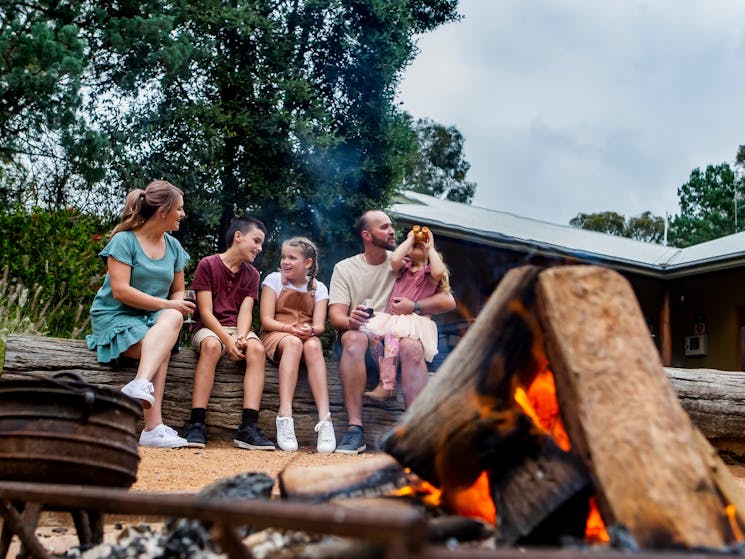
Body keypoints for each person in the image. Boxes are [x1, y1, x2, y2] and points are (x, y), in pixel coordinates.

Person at [328, 210, 456, 454]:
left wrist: (415, 306)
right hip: (365, 342)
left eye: (391, 226)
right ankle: (355, 430)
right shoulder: (346, 268)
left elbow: (448, 300)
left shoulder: (405, 261)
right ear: (367, 235)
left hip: (398, 345)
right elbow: (336, 318)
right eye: (384, 227)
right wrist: (350, 319)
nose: (392, 231)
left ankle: (415, 431)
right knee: (352, 337)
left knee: (412, 345)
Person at [86, 180, 193, 448]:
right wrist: (168, 305)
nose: (183, 214)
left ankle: (141, 382)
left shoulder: (174, 247)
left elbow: (178, 291)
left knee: (173, 320)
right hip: (116, 315)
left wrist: (174, 305)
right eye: (179, 209)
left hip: (151, 319)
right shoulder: (124, 241)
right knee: (162, 345)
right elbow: (121, 291)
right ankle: (153, 427)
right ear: (163, 211)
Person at [181, 216, 276, 451]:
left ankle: (248, 427)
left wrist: (241, 337)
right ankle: (196, 422)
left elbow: (245, 312)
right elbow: (205, 312)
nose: (259, 248)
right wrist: (226, 340)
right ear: (238, 236)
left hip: (237, 328)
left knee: (256, 348)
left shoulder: (253, 274)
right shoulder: (208, 264)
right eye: (256, 240)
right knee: (212, 346)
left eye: (261, 243)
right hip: (208, 327)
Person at [259, 237, 336, 453]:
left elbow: (320, 326)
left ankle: (325, 419)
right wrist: (289, 330)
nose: (285, 262)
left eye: (292, 258)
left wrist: (310, 330)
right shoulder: (273, 280)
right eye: (284, 257)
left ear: (308, 263)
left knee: (313, 346)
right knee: (293, 343)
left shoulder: (318, 287)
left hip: (304, 335)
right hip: (277, 333)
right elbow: (266, 320)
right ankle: (285, 415)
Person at [362, 226, 449, 400]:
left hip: (413, 321)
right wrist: (410, 239)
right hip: (393, 318)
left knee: (393, 334)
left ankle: (386, 385)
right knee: (370, 334)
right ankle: (388, 376)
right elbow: (395, 258)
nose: (417, 246)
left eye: (420, 246)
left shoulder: (428, 274)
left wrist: (429, 246)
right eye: (413, 246)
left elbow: (439, 272)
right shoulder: (404, 268)